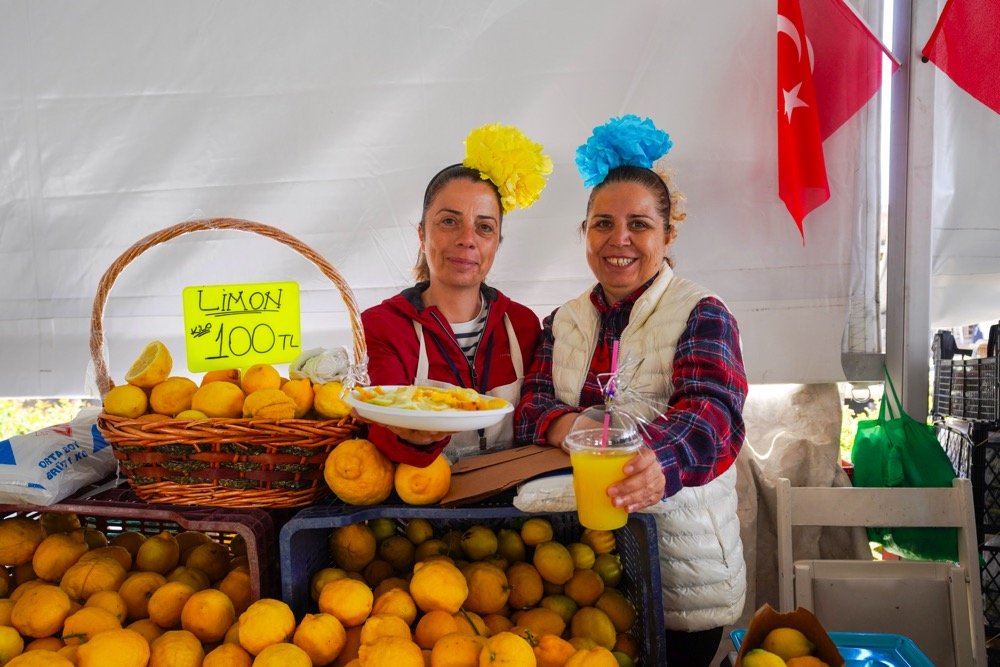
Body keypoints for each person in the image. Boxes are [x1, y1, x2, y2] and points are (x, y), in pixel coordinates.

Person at [515, 115, 748, 667]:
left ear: (668, 235)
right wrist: (578, 429)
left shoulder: (702, 312)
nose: (618, 240)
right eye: (602, 224)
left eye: (639, 224)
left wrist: (661, 460)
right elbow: (531, 408)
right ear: (584, 234)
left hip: (682, 572)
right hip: (577, 566)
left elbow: (714, 412)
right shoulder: (563, 321)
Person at [361, 123, 550, 466]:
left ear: (497, 243)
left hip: (511, 504)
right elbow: (378, 428)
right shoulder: (381, 326)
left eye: (484, 227)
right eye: (449, 221)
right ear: (422, 234)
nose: (467, 239)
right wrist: (410, 436)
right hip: (416, 505)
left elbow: (536, 420)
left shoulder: (523, 325)